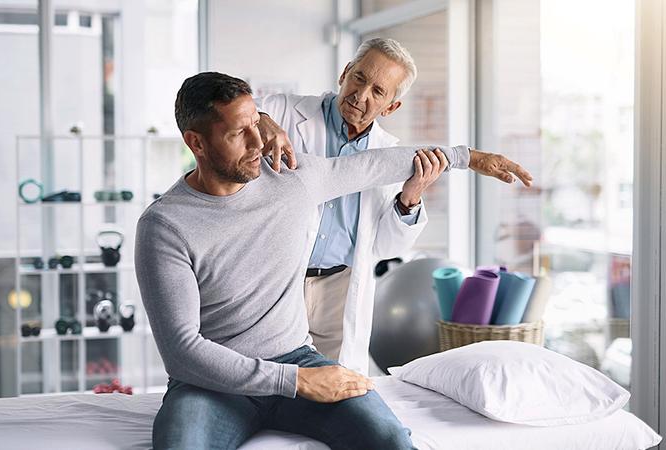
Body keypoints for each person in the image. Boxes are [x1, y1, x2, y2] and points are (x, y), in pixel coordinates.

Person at [135, 71, 460, 449]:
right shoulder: (165, 225)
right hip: (211, 385)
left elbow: (371, 165)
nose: (258, 142)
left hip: (296, 357)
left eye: (258, 124)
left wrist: (467, 158)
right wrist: (295, 381)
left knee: (390, 440)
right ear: (197, 143)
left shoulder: (288, 178)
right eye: (239, 133)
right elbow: (182, 352)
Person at [255, 37, 533, 373]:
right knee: (271, 378)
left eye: (377, 91)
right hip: (282, 278)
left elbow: (386, 246)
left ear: (391, 107)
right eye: (359, 78)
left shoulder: (390, 153)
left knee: (330, 388)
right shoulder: (286, 111)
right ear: (344, 73)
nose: (361, 95)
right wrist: (258, 118)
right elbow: (222, 103)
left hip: (339, 287)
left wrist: (411, 196)